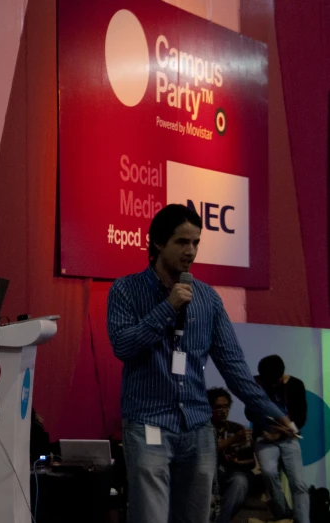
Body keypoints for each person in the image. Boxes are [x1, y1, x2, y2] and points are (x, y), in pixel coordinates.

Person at [107, 204, 294, 523]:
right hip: (148, 423)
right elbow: (123, 346)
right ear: (158, 243)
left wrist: (271, 413)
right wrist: (168, 308)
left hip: (197, 426)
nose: (191, 251)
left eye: (196, 243)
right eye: (182, 242)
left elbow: (234, 366)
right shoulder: (126, 290)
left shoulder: (207, 299)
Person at [246, 355, 308, 523]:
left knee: (299, 483)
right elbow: (249, 413)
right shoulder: (257, 385)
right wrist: (265, 426)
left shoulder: (295, 385)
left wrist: (281, 432)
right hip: (265, 437)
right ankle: (283, 513)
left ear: (281, 376)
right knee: (268, 472)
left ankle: (303, 520)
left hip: (288, 437)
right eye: (269, 382)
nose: (272, 385)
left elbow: (300, 417)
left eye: (274, 381)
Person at [208, 387, 255, 523]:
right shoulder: (203, 429)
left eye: (226, 407)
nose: (223, 411)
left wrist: (238, 462)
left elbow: (251, 462)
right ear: (209, 408)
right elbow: (209, 449)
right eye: (218, 407)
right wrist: (234, 440)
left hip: (235, 473)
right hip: (212, 473)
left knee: (240, 481)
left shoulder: (238, 429)